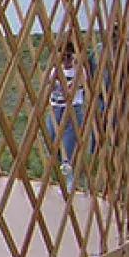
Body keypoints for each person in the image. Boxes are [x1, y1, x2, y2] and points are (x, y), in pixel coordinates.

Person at [49, 41, 88, 191]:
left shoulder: (80, 71)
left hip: (72, 110)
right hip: (55, 109)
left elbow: (73, 89)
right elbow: (50, 85)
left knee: (68, 147)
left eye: (68, 56)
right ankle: (57, 178)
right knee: (51, 143)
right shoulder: (54, 71)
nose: (65, 59)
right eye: (62, 55)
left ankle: (69, 183)